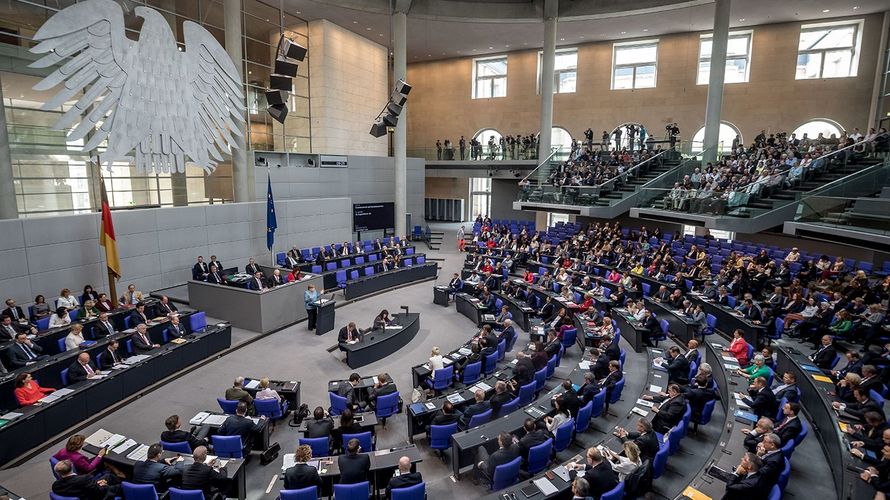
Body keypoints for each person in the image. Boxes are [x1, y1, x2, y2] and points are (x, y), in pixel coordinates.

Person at [52, 459, 117, 500]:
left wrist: (97, 484)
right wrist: (103, 485)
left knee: (108, 476)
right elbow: (98, 492)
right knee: (119, 487)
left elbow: (78, 489)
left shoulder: (55, 486)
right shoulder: (85, 478)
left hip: (86, 491)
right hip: (94, 496)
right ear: (72, 467)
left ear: (58, 473)